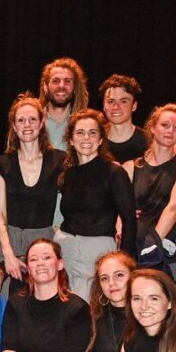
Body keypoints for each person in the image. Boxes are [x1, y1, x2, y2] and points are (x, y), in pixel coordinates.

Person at [54, 109, 136, 298]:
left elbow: (129, 219)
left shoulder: (114, 173)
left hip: (98, 253)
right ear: (71, 140)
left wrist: (124, 261)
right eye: (80, 133)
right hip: (65, 249)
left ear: (101, 139)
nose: (86, 138)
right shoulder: (66, 175)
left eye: (93, 133)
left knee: (92, 311)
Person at [0, 94, 65, 294]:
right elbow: (0, 214)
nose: (27, 125)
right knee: (5, 303)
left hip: (43, 240)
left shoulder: (60, 160)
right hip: (7, 240)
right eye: (21, 120)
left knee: (40, 299)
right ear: (14, 126)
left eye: (33, 119)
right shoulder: (2, 164)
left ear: (42, 123)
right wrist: (8, 254)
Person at [123, 104, 176, 283]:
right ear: (153, 127)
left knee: (170, 303)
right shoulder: (131, 167)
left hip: (168, 247)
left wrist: (152, 244)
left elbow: (174, 207)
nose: (170, 130)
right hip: (135, 246)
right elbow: (121, 212)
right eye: (165, 125)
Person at [39, 57, 89, 153]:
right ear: (45, 87)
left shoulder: (84, 124)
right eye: (55, 81)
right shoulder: (34, 123)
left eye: (67, 81)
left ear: (74, 87)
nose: (61, 86)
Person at [99, 74, 147, 164]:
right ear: (104, 106)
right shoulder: (95, 140)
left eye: (123, 101)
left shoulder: (147, 142)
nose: (116, 106)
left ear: (134, 106)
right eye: (111, 101)